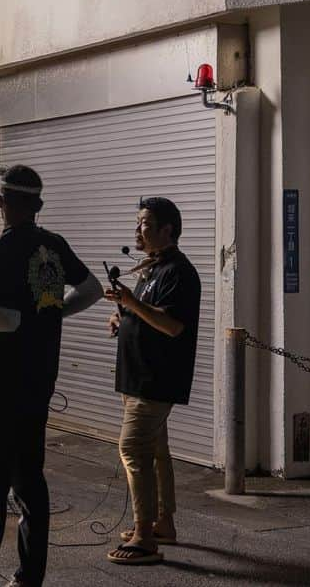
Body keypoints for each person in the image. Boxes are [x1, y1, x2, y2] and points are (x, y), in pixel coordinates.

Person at [0, 165, 103, 587]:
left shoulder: (6, 248)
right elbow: (92, 289)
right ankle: (29, 578)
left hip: (5, 384)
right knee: (29, 482)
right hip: (39, 381)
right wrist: (53, 312)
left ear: (7, 202)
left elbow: (5, 319)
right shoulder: (53, 244)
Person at [104, 196, 202, 568]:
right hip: (137, 378)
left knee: (132, 450)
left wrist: (132, 305)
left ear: (167, 229)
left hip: (156, 380)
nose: (137, 230)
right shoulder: (151, 268)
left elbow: (173, 325)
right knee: (157, 452)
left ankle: (144, 536)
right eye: (138, 223)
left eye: (145, 223)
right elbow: (145, 316)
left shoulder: (178, 271)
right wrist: (122, 319)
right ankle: (163, 522)